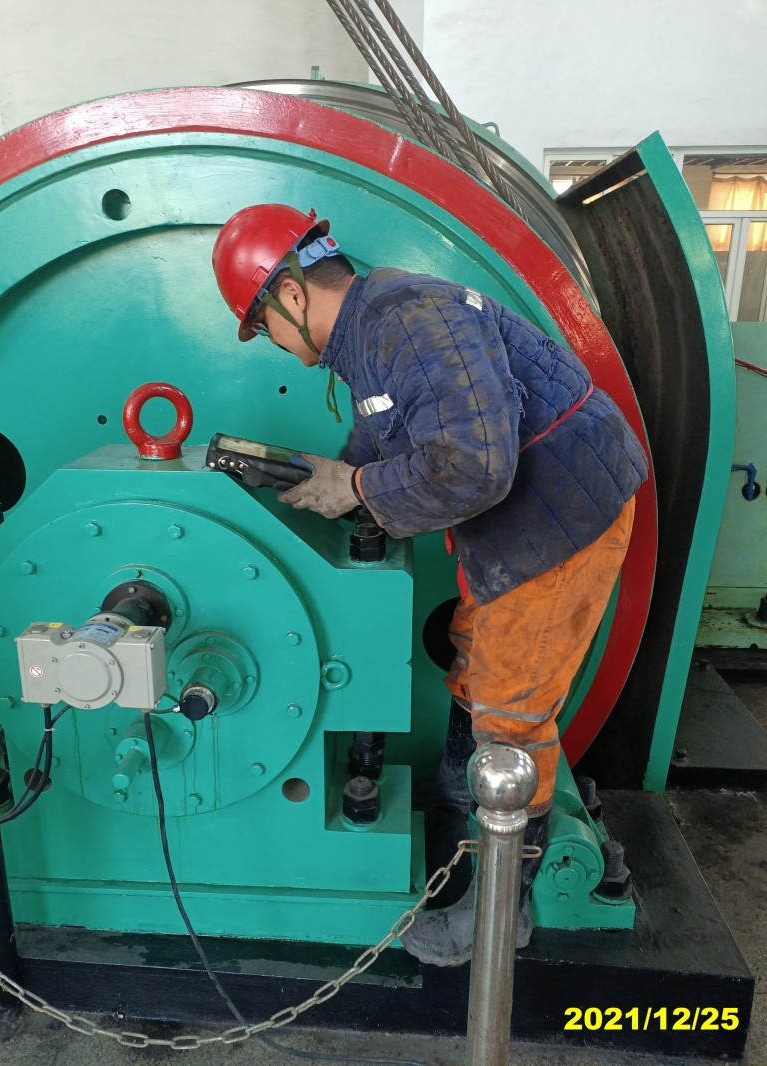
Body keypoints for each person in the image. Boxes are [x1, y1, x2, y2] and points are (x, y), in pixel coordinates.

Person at [212, 203, 648, 966]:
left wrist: (359, 488)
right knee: (474, 645)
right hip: (529, 518)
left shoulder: (407, 319)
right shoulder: (372, 333)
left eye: (262, 326)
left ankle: (499, 913)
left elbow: (474, 467)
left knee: (511, 708)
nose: (273, 344)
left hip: (563, 515)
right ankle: (457, 794)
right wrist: (334, 479)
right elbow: (385, 434)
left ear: (290, 294)